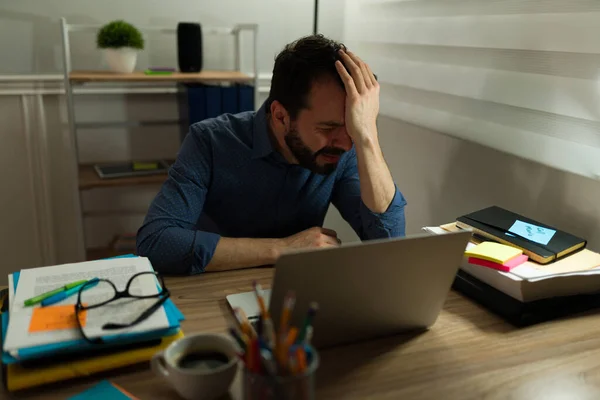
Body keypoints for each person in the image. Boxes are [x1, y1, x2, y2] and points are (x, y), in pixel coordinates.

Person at [136, 34, 407, 274]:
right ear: (280, 116)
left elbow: (389, 243)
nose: (346, 144)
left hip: (297, 296)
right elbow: (157, 242)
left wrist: (367, 136)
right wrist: (280, 249)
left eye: (352, 127)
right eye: (329, 128)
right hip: (211, 294)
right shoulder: (209, 142)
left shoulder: (342, 150)